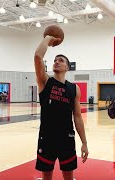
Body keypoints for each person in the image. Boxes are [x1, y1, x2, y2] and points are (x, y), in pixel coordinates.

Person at [34, 35, 89, 180]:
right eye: (55, 60)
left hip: (67, 138)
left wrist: (84, 142)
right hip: (47, 138)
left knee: (68, 176)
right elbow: (38, 57)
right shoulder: (45, 82)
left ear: (67, 67)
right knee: (46, 176)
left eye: (61, 60)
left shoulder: (74, 89)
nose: (56, 62)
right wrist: (47, 39)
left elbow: (77, 117)